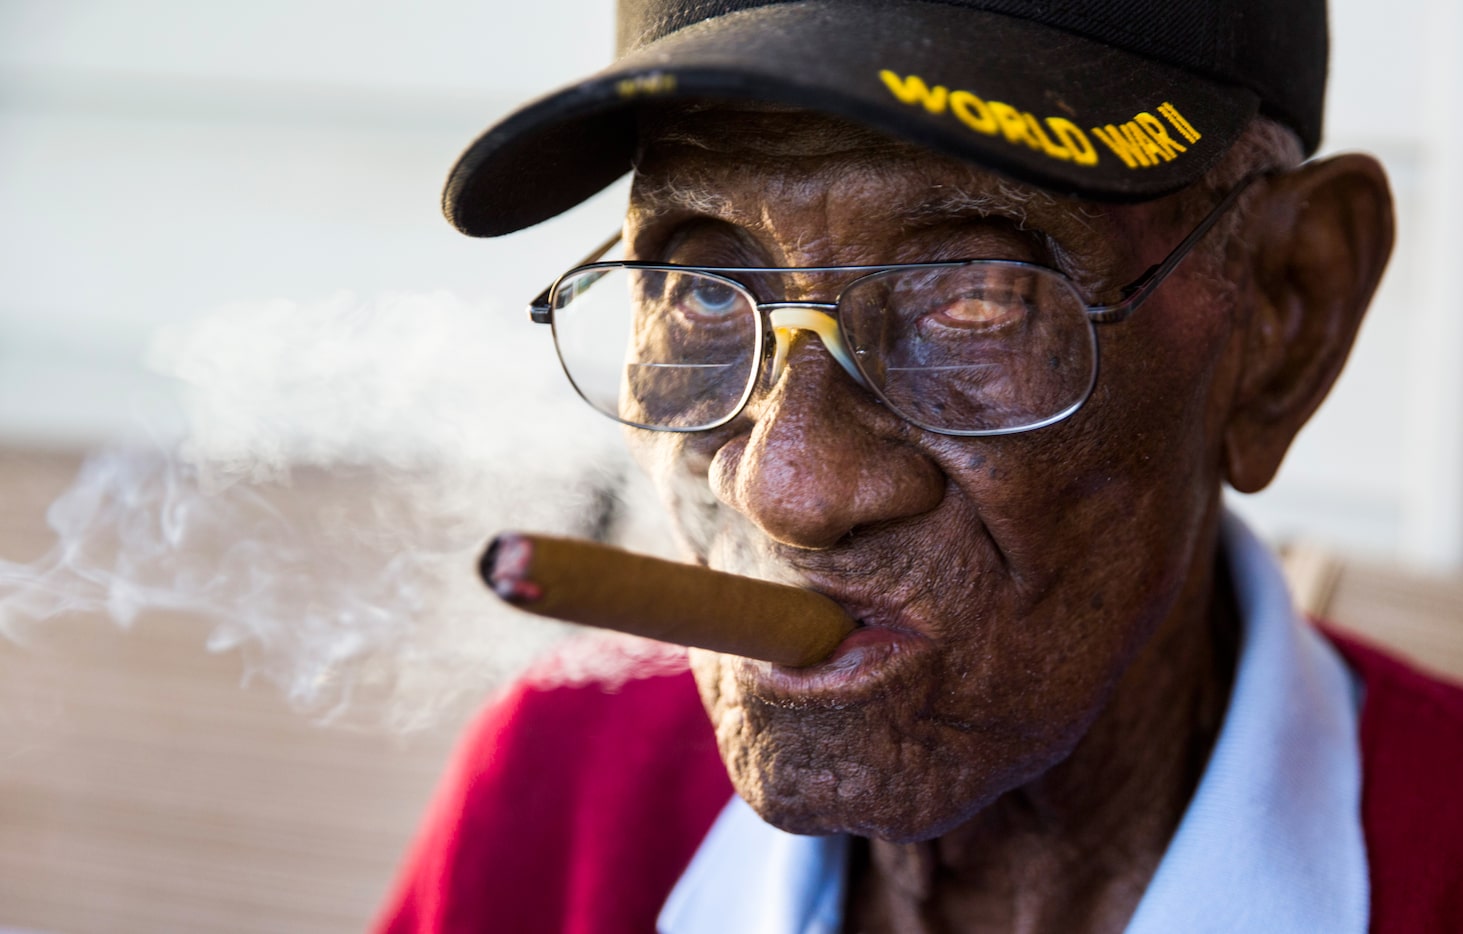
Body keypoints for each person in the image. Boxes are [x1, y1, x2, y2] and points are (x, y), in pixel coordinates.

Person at [376, 1, 1463, 931]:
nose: (784, 487)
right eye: (706, 290)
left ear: (1284, 313)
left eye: (972, 297)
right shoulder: (564, 786)